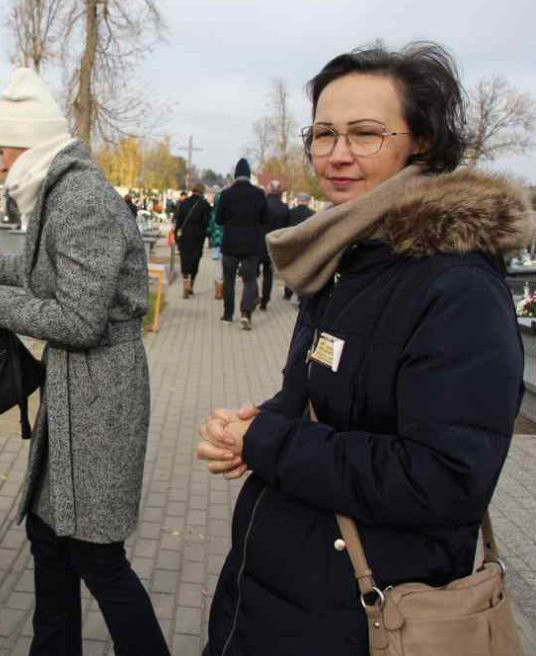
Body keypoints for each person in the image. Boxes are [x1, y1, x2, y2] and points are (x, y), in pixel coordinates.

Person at [195, 41, 530, 656]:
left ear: (420, 141)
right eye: (323, 134)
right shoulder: (350, 256)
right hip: (278, 601)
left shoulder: (455, 287)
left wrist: (268, 443)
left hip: (367, 619)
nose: (338, 154)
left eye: (365, 134)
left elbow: (443, 479)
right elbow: (331, 398)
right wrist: (257, 423)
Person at [0, 67, 168, 656]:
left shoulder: (80, 200)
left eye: (1, 150)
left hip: (100, 392)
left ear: (25, 144)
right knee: (49, 536)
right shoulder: (62, 191)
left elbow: (79, 321)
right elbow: (34, 273)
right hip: (80, 389)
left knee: (96, 554)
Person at [216, 157, 268, 329]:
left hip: (230, 243)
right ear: (248, 174)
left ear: (236, 175)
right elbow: (264, 219)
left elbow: (219, 219)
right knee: (249, 279)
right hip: (252, 244)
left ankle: (227, 314)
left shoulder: (226, 194)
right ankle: (246, 313)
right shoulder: (259, 194)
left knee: (229, 280)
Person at [174, 184, 211, 298]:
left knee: (185, 260)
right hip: (198, 238)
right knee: (195, 261)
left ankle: (185, 284)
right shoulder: (204, 205)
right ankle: (191, 286)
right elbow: (206, 223)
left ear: (193, 191)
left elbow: (178, 221)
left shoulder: (184, 203)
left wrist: (177, 237)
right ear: (202, 192)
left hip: (184, 236)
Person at [260, 180, 290, 310]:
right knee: (268, 273)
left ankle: (254, 295)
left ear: (269, 190)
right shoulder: (284, 208)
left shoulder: (261, 205)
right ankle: (264, 301)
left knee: (252, 274)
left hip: (258, 243)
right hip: (273, 245)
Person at [282, 193, 315, 300]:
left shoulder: (290, 213)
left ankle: (288, 293)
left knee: (291, 269)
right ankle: (301, 294)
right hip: (306, 245)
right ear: (308, 201)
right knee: (304, 270)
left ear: (298, 200)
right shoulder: (312, 214)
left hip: (292, 243)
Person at [208, 189, 224, 299]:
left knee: (218, 267)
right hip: (227, 244)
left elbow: (209, 229)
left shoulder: (213, 214)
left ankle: (218, 292)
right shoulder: (228, 214)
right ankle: (223, 291)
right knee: (225, 267)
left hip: (215, 244)